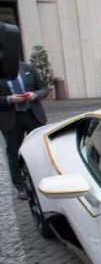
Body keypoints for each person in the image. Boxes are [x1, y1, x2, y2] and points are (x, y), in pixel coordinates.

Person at [0, 62, 48, 199]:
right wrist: (8, 99)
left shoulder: (26, 67)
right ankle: (21, 187)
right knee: (13, 154)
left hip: (33, 115)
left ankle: (43, 181)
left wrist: (35, 95)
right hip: (11, 119)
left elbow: (44, 88)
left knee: (41, 150)